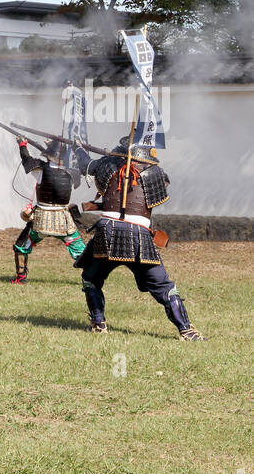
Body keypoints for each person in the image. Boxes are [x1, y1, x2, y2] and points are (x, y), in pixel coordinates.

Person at [75, 137, 204, 340]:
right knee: (165, 287)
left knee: (91, 279)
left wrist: (78, 148)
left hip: (108, 232)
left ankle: (99, 323)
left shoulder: (107, 165)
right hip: (139, 236)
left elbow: (86, 165)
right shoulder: (156, 173)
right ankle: (186, 330)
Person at [11, 136, 90, 283]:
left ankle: (21, 277)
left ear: (49, 155)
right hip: (64, 220)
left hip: (41, 221)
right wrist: (78, 148)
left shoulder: (40, 170)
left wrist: (22, 145)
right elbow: (85, 166)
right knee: (82, 252)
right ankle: (90, 279)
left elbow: (27, 159)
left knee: (21, 247)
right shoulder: (73, 172)